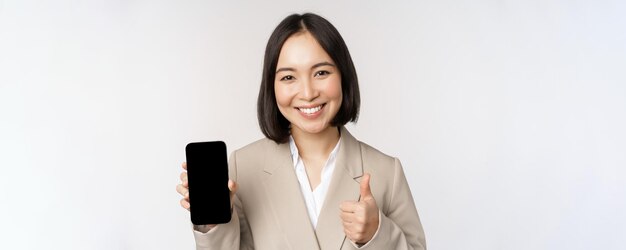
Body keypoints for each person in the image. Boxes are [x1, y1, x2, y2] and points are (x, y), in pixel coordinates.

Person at [176, 13, 426, 250]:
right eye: (288, 77)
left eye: (321, 73)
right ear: (271, 87)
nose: (307, 93)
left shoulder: (386, 171)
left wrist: (377, 234)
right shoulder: (244, 167)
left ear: (344, 76)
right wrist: (212, 224)